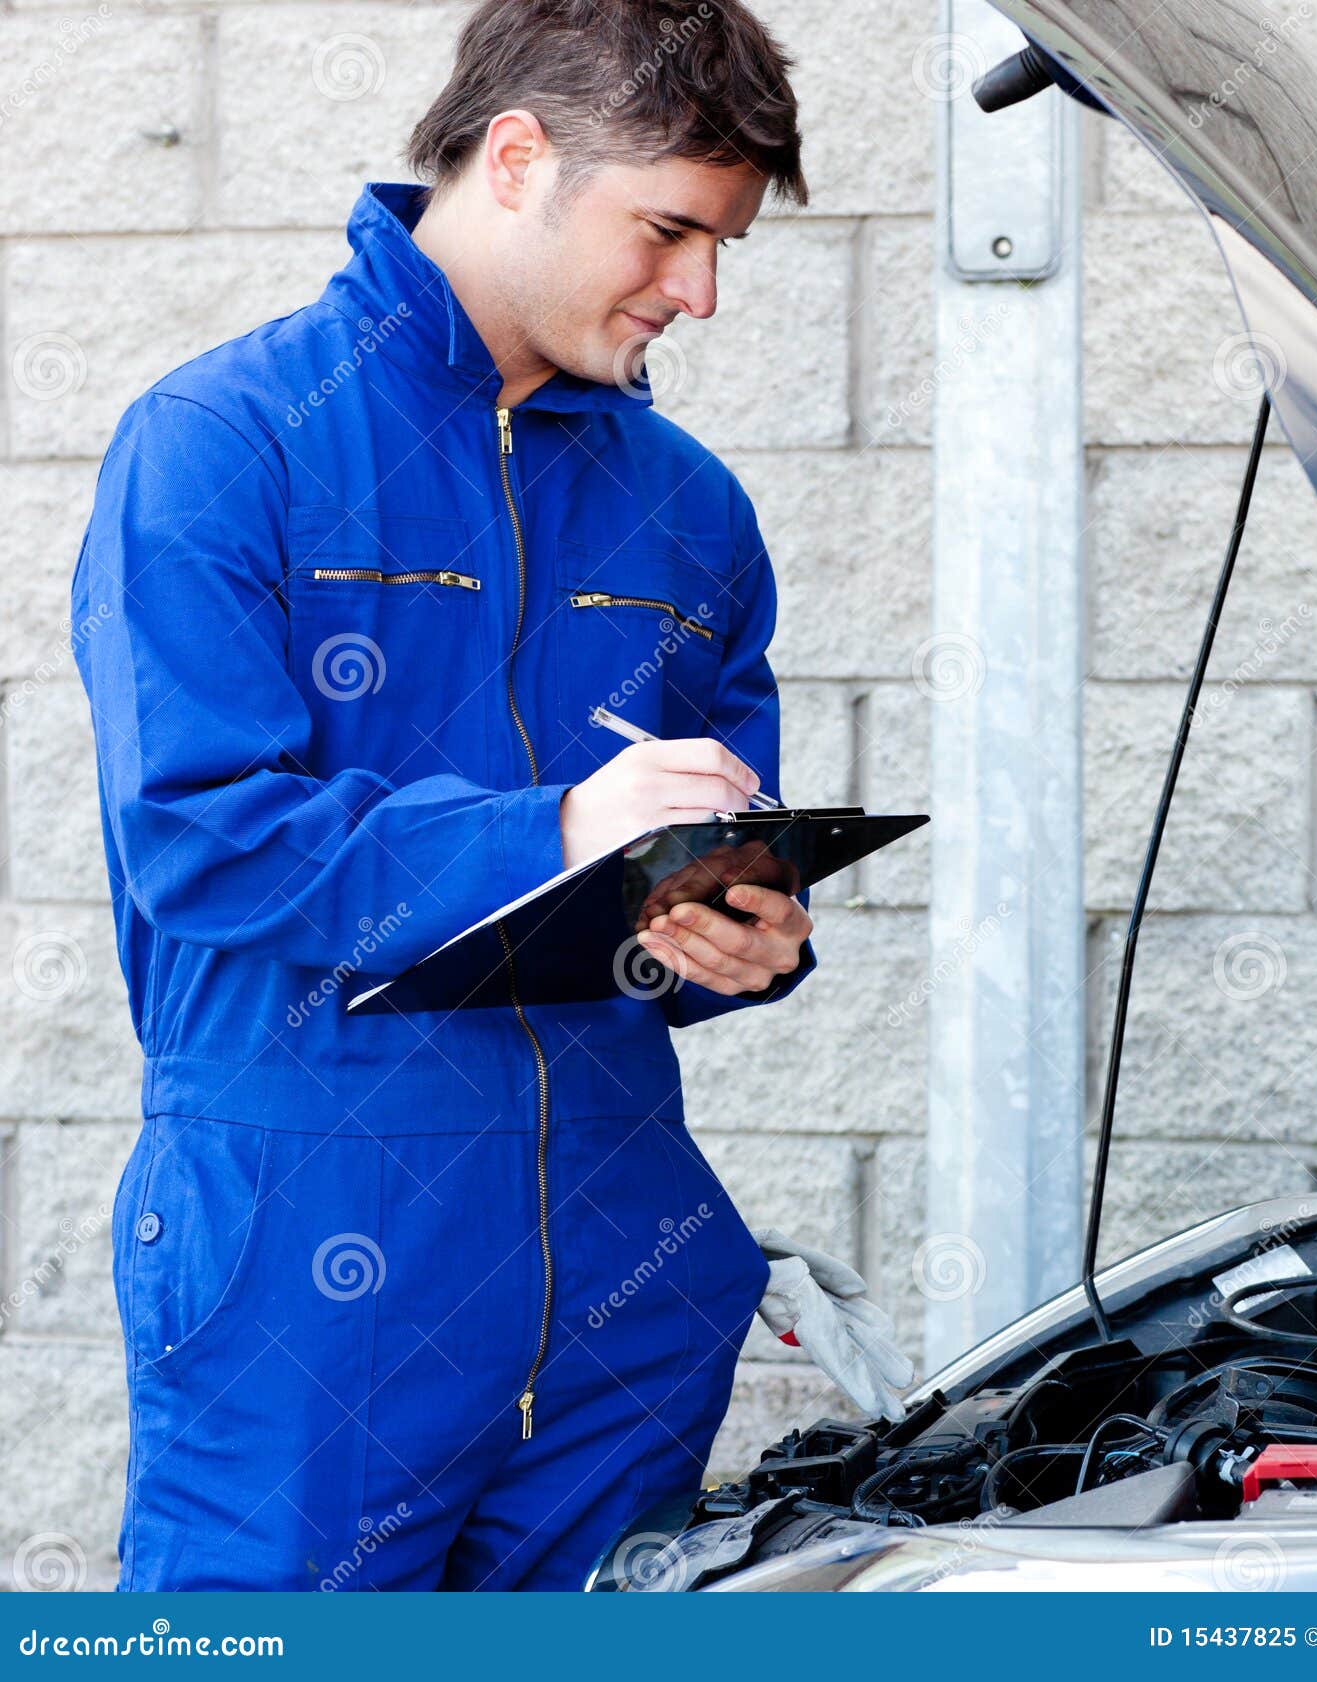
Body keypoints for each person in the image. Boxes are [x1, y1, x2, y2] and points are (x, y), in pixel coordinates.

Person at [72, 0, 905, 1593]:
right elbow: (201, 839)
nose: (701, 293)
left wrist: (732, 939)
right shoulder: (222, 446)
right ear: (518, 160)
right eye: (669, 231)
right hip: (309, 1271)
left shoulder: (692, 513)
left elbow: (696, 877)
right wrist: (558, 829)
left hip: (626, 1269)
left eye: (724, 246)